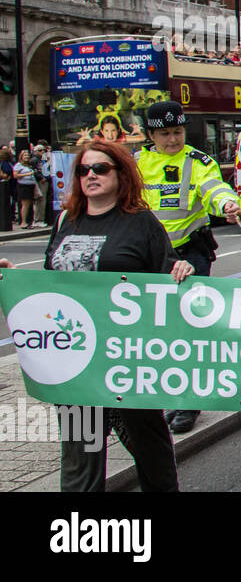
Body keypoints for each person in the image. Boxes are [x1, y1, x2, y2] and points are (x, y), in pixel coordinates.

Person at [1, 140, 196, 491]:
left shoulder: (141, 223)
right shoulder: (65, 220)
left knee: (149, 448)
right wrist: (17, 278)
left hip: (127, 363)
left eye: (100, 168)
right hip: (76, 366)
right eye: (83, 170)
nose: (90, 175)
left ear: (121, 174)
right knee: (81, 458)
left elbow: (166, 278)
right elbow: (50, 284)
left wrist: (180, 269)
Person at [137, 100, 240, 434]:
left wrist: (227, 204)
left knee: (190, 329)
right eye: (165, 134)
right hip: (152, 257)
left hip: (191, 254)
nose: (173, 140)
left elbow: (213, 188)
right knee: (158, 331)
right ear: (150, 134)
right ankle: (167, 395)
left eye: (178, 131)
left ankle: (189, 404)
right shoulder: (137, 162)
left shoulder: (198, 161)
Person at [12, 149, 36, 228]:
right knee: (25, 205)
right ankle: (23, 222)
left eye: (28, 155)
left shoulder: (29, 165)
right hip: (23, 187)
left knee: (29, 204)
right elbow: (15, 175)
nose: (27, 157)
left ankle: (29, 222)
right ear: (21, 157)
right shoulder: (18, 165)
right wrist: (27, 174)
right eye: (25, 155)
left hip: (31, 186)